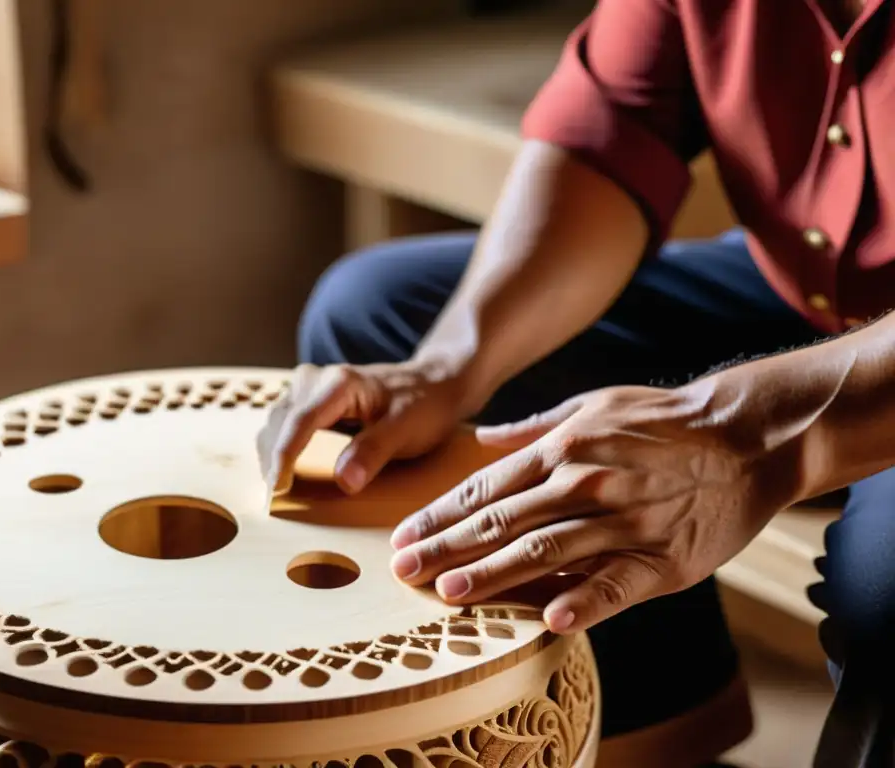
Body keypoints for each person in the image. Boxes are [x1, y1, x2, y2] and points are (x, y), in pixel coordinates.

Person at [259, 1, 895, 765]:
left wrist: (751, 434)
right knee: (382, 314)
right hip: (812, 298)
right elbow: (616, 130)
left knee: (886, 588)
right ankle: (648, 743)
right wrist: (449, 366)